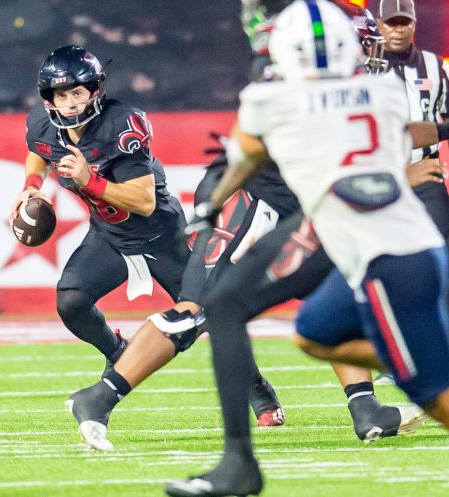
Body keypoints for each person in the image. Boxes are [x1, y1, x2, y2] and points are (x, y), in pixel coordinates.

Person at [166, 1, 449, 496]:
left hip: (384, 257)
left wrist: (210, 207)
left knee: (435, 395)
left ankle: (240, 462)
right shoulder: (384, 91)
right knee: (313, 332)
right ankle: (238, 466)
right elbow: (413, 133)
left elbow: (247, 152)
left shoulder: (269, 101)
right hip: (365, 233)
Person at [65, 135, 296, 452]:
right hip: (258, 188)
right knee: (201, 306)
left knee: (351, 284)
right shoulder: (86, 125)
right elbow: (249, 132)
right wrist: (33, 183)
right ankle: (103, 394)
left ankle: (362, 399)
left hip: (316, 194)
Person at [10, 45, 189, 381]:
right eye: (61, 95)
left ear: (94, 91)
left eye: (77, 92)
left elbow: (144, 202)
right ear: (49, 98)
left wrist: (88, 179)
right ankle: (118, 354)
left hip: (161, 234)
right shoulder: (42, 126)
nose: (70, 103)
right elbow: (39, 150)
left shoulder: (120, 123)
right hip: (110, 235)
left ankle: (258, 389)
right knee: (71, 302)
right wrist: (32, 186)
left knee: (208, 312)